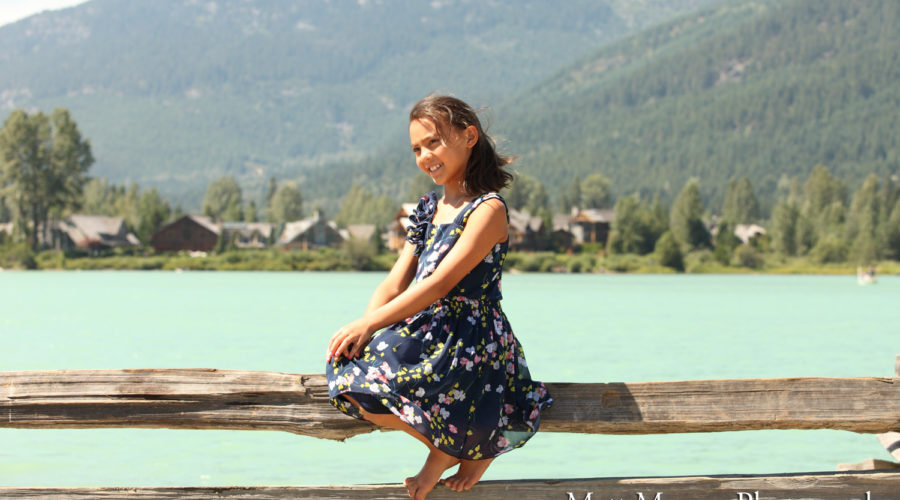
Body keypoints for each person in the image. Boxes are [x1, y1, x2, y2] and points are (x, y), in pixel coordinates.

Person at [325, 95, 553, 500]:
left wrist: (371, 325)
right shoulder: (429, 208)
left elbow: (438, 285)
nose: (424, 156)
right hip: (426, 332)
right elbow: (394, 283)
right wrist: (364, 332)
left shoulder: (488, 209)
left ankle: (454, 451)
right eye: (416, 149)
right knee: (350, 378)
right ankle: (461, 447)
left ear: (468, 137)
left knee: (375, 380)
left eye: (433, 142)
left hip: (472, 340)